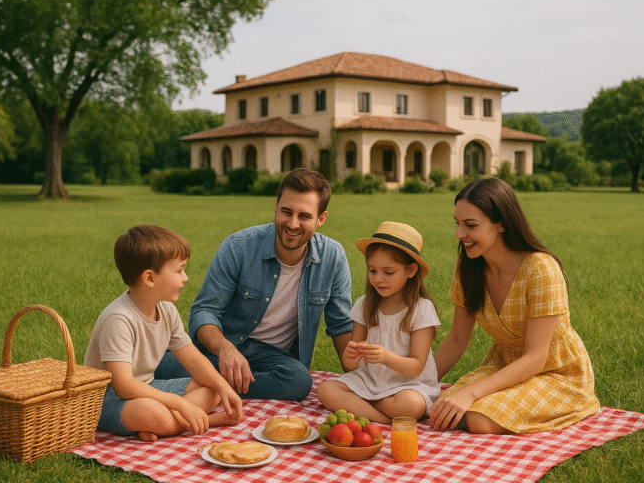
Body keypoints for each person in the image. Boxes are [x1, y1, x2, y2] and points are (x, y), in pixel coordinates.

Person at [155, 168, 353, 401]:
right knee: (160, 364)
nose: (292, 223)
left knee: (299, 381)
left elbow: (341, 325)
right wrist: (225, 349)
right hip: (220, 350)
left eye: (304, 216)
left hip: (273, 359)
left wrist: (359, 382)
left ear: (321, 219)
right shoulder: (239, 246)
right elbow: (204, 311)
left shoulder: (333, 258)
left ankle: (210, 384)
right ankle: (212, 379)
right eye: (286, 212)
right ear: (276, 206)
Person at [429, 177, 600, 434]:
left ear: (501, 223)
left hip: (556, 374)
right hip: (505, 368)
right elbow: (456, 338)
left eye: (470, 225)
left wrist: (471, 393)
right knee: (440, 407)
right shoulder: (467, 266)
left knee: (478, 418)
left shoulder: (541, 268)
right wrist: (420, 384)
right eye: (458, 224)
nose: (459, 235)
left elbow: (535, 358)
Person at [84, 225, 242, 442]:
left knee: (213, 389)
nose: (185, 277)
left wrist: (224, 387)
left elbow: (193, 359)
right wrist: (179, 403)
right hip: (106, 399)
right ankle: (204, 420)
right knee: (153, 413)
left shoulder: (166, 309)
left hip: (147, 386)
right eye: (179, 270)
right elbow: (123, 385)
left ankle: (168, 424)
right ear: (149, 278)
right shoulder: (118, 319)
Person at [317, 221, 441, 424]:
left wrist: (385, 357)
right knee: (326, 390)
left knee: (412, 405)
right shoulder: (365, 304)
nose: (378, 279)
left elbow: (416, 366)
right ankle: (383, 419)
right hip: (369, 381)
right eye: (372, 271)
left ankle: (365, 406)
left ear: (410, 270)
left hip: (408, 385)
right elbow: (351, 364)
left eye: (388, 272)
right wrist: (351, 355)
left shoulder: (421, 309)